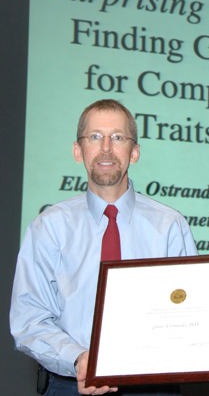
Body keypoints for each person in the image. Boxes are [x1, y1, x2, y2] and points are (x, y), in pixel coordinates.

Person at [10, 99, 198, 396]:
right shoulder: (48, 227)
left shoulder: (170, 226)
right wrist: (80, 359)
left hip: (153, 387)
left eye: (118, 137)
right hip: (71, 383)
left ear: (134, 152)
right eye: (95, 137)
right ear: (77, 150)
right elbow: (29, 319)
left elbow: (190, 314)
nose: (106, 148)